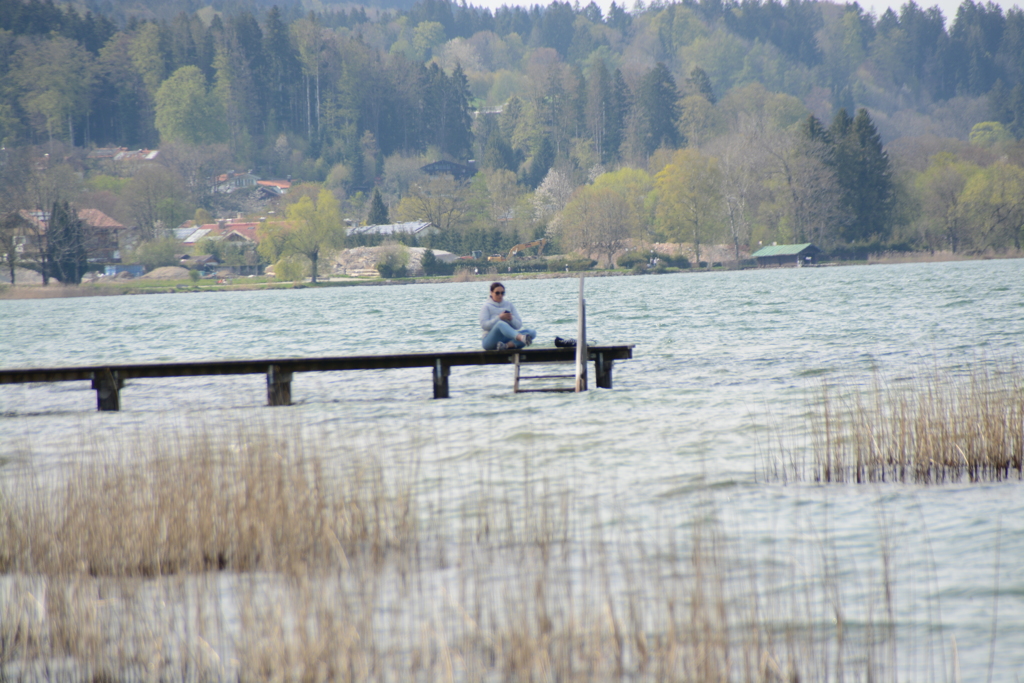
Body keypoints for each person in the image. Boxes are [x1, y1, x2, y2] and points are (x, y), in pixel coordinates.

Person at [480, 282, 536, 351]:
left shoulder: (509, 305)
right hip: (489, 341)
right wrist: (499, 318)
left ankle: (506, 346)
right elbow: (484, 325)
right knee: (500, 323)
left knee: (532, 332)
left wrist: (511, 318)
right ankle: (521, 338)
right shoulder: (486, 306)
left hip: (506, 339)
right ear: (491, 293)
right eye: (497, 293)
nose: (500, 295)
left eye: (502, 293)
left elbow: (518, 325)